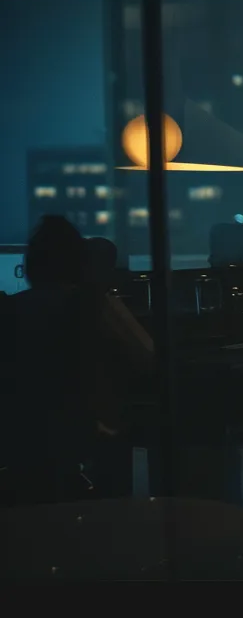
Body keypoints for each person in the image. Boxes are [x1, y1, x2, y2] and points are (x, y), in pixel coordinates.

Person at [2, 217, 154, 506]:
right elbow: (146, 354)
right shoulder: (93, 304)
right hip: (89, 442)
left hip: (22, 445)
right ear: (79, 263)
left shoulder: (10, 308)